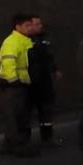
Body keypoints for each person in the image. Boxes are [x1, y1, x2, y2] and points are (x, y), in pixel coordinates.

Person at [0, 13, 37, 156]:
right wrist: (14, 80)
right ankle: (18, 145)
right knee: (16, 116)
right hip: (14, 85)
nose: (30, 28)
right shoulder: (12, 42)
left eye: (31, 25)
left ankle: (9, 144)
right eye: (27, 25)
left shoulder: (25, 41)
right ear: (18, 27)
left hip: (22, 83)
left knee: (18, 115)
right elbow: (8, 62)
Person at [27, 15, 62, 145]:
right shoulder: (26, 40)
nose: (39, 26)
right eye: (35, 24)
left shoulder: (45, 39)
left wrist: (55, 69)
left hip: (45, 79)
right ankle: (25, 138)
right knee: (28, 110)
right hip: (31, 80)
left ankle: (47, 137)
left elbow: (49, 56)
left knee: (46, 110)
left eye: (39, 24)